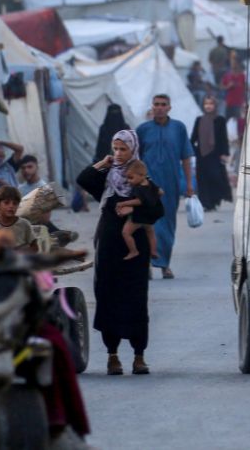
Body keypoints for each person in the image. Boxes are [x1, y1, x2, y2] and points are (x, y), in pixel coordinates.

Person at [77, 131, 153, 376]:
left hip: (135, 244)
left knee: (136, 297)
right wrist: (103, 163)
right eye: (116, 149)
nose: (119, 154)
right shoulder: (107, 180)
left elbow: (154, 207)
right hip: (109, 242)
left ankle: (139, 355)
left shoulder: (140, 177)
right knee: (107, 295)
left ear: (133, 149)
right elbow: (84, 178)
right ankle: (113, 356)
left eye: (123, 149)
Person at [136, 94, 195, 279]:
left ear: (169, 107)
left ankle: (164, 265)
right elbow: (135, 160)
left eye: (163, 104)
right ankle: (146, 263)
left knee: (167, 224)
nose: (159, 107)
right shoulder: (142, 129)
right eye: (156, 104)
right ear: (152, 107)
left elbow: (185, 157)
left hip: (171, 183)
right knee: (147, 224)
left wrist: (189, 184)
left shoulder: (178, 128)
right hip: (147, 185)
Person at [191, 95, 233, 212]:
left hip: (215, 154)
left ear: (215, 106)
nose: (208, 106)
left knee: (215, 177)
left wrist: (225, 153)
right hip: (202, 154)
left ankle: (215, 200)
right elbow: (194, 137)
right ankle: (206, 203)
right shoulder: (199, 120)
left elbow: (223, 137)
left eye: (211, 104)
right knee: (203, 179)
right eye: (206, 104)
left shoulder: (220, 120)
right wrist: (190, 150)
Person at [115, 160, 162, 261]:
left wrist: (123, 203)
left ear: (141, 175)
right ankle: (153, 251)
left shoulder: (138, 188)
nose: (129, 181)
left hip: (138, 216)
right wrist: (152, 198)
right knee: (150, 232)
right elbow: (161, 192)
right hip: (148, 216)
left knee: (126, 233)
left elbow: (139, 201)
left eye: (131, 178)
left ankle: (133, 251)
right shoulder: (150, 183)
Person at [0, 185, 38, 250]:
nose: (11, 206)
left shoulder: (24, 224)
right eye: (6, 203)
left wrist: (21, 253)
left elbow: (35, 248)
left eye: (15, 203)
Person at [221, 56, 248, 124]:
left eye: (235, 63)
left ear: (238, 64)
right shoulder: (227, 75)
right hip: (229, 103)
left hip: (238, 103)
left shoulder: (242, 76)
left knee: (238, 122)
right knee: (226, 122)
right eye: (232, 63)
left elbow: (246, 87)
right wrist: (228, 86)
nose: (233, 65)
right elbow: (221, 86)